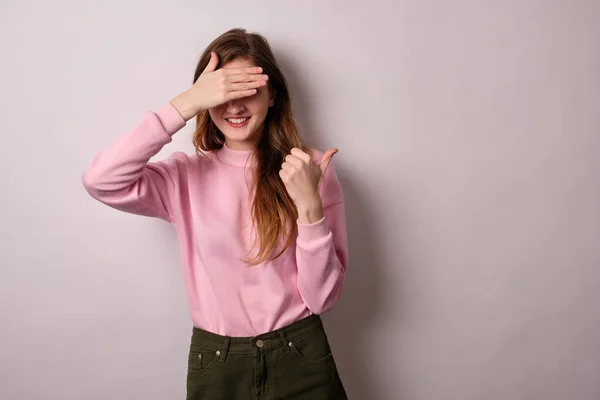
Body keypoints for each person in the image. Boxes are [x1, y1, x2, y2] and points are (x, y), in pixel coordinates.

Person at [82, 27, 348, 399]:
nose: (235, 107)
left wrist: (309, 208)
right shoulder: (183, 177)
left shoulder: (310, 168)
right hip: (218, 362)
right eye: (223, 92)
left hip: (299, 354)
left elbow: (322, 299)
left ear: (273, 95)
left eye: (249, 91)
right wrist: (184, 104)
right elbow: (100, 180)